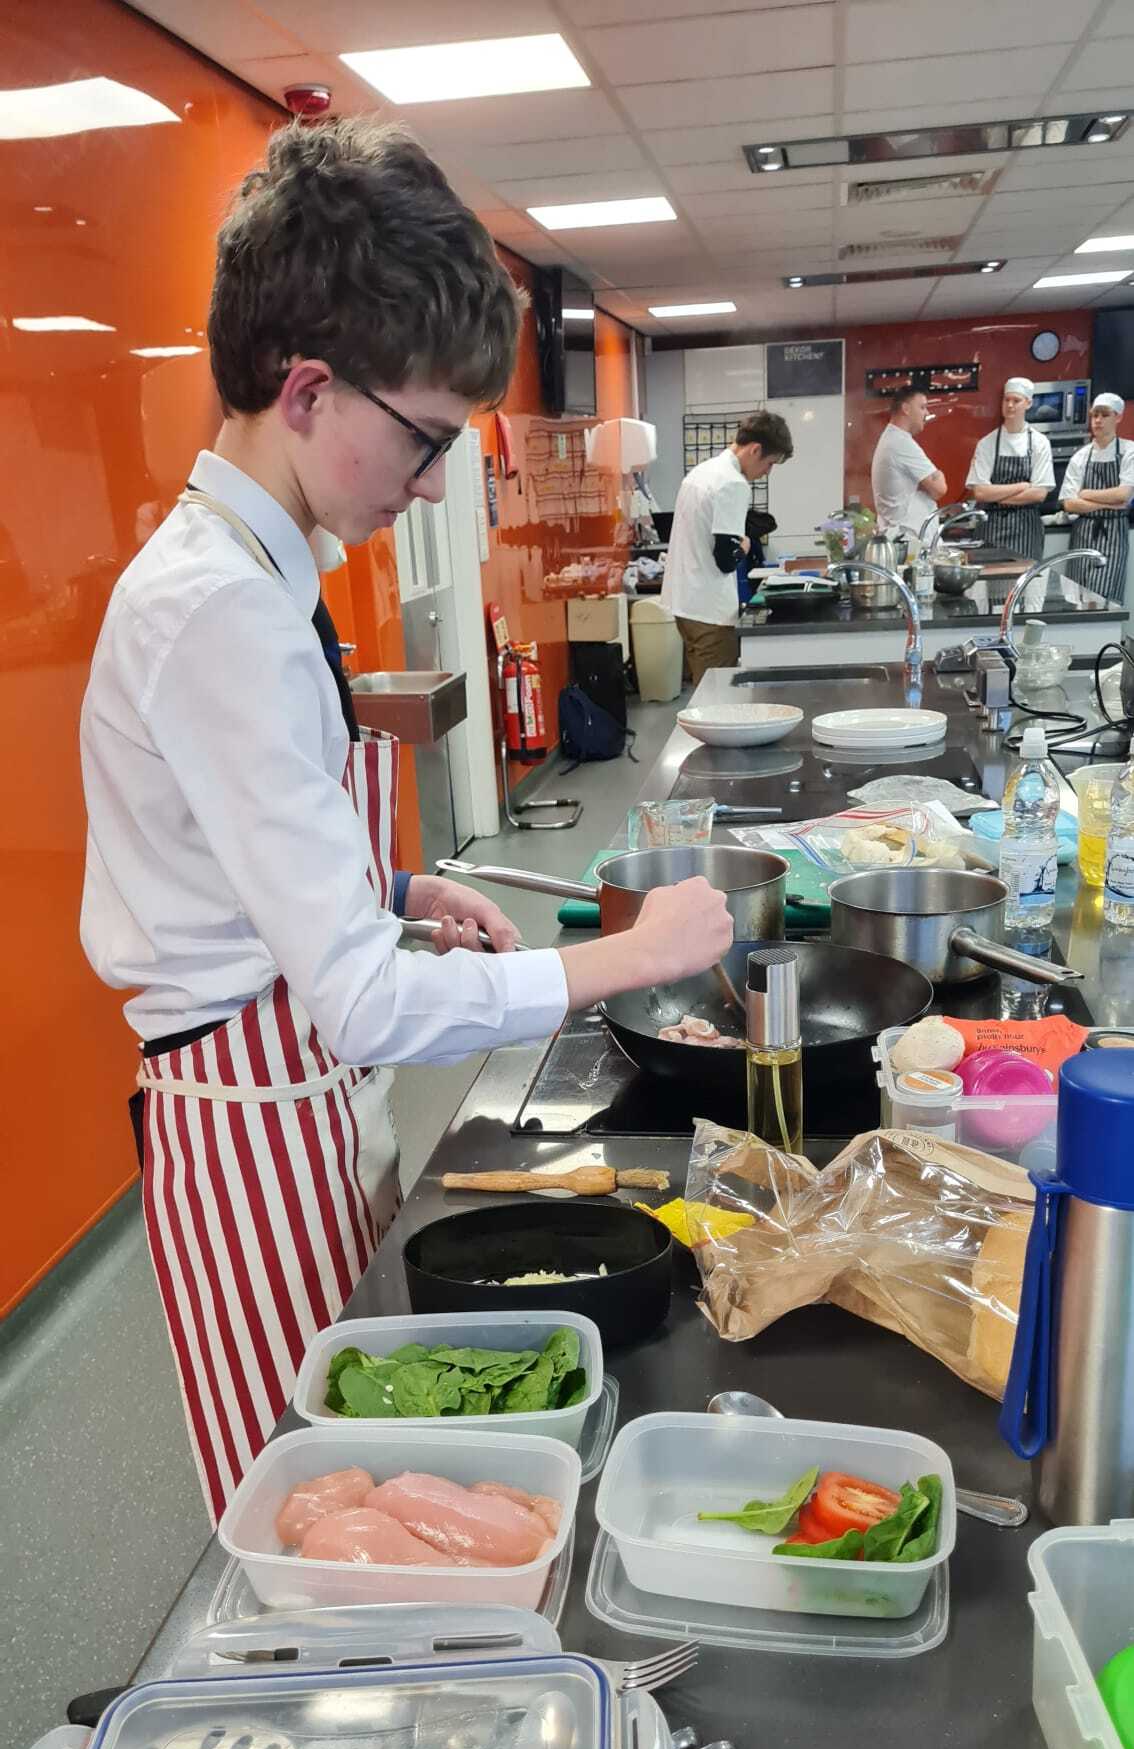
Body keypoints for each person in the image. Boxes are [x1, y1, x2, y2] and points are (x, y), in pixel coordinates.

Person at [79, 117, 732, 1523]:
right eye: (425, 439)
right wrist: (624, 958)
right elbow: (368, 1007)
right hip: (251, 1135)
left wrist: (390, 890)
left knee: (372, 1469)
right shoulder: (221, 609)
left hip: (297, 1101)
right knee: (318, 1513)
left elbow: (220, 846)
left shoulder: (260, 569)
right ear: (308, 390)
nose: (433, 482)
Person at [661, 411, 793, 687]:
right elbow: (725, 559)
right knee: (717, 697)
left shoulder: (702, 472)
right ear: (755, 450)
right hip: (710, 611)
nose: (767, 472)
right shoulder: (733, 483)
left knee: (703, 689)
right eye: (770, 463)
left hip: (684, 603)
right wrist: (744, 545)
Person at [965, 377, 1053, 564]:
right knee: (988, 582)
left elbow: (1039, 494)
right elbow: (980, 493)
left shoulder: (1039, 443)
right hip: (990, 529)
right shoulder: (987, 443)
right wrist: (1022, 486)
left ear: (1028, 403)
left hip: (1026, 530)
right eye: (1007, 400)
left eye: (1016, 400)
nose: (1010, 405)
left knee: (1025, 581)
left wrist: (995, 496)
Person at [1060, 392, 1134, 605]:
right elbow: (1069, 503)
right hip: (1082, 534)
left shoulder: (1129, 451)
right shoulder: (1081, 456)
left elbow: (1123, 494)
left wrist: (1085, 494)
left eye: (1104, 415)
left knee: (1103, 600)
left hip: (1113, 536)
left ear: (1118, 417)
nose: (1098, 420)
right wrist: (1109, 503)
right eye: (1095, 415)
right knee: (1077, 599)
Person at [870, 389, 946, 542]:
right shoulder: (901, 443)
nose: (927, 413)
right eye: (922, 407)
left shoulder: (892, 438)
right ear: (906, 409)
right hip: (909, 541)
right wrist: (939, 474)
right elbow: (939, 489)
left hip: (905, 537)